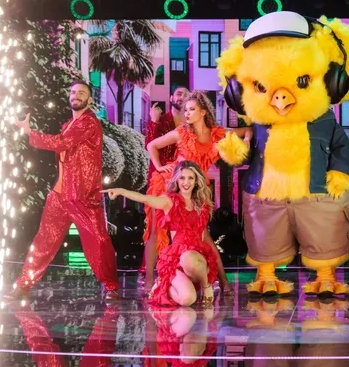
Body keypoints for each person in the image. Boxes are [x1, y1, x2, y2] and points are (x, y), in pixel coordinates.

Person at [6, 81, 120, 301]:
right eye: (73, 92)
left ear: (89, 100)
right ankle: (23, 284)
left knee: (98, 240)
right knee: (44, 240)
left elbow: (62, 143)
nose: (76, 96)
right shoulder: (69, 124)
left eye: (82, 93)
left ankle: (111, 286)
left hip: (82, 195)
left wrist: (29, 132)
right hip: (60, 193)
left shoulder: (88, 122)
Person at [143, 91, 246, 294]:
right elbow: (152, 145)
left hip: (195, 189)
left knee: (204, 235)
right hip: (170, 185)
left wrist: (248, 140)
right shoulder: (181, 132)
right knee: (156, 232)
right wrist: (159, 167)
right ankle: (149, 280)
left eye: (192, 109)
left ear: (203, 112)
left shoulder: (216, 133)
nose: (187, 113)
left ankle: (223, 281)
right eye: (186, 110)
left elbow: (245, 131)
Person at [104, 161, 218, 307]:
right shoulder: (169, 201)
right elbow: (144, 198)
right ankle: (164, 285)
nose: (186, 182)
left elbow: (202, 235)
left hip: (198, 261)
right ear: (176, 180)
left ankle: (206, 285)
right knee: (187, 299)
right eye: (182, 178)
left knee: (190, 258)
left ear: (196, 181)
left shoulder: (201, 205)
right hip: (178, 260)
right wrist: (121, 191)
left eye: (190, 178)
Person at [139, 86, 188, 276]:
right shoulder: (162, 120)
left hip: (182, 179)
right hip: (160, 178)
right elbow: (149, 144)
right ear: (171, 98)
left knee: (181, 224)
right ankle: (150, 270)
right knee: (156, 225)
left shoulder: (190, 123)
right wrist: (153, 121)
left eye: (186, 94)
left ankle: (179, 266)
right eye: (179, 93)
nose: (182, 97)